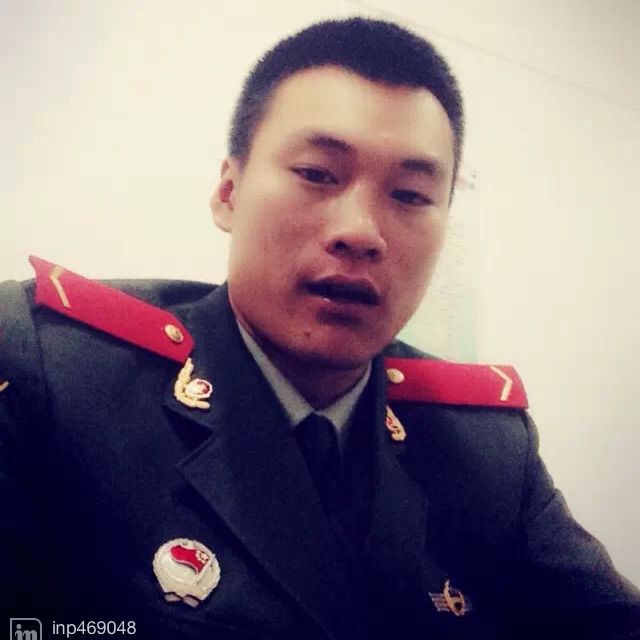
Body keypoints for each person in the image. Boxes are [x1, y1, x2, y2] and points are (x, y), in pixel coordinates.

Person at [1, 16, 638, 640]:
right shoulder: (51, 373)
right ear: (229, 192)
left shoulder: (486, 449)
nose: (360, 232)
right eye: (317, 174)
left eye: (410, 195)